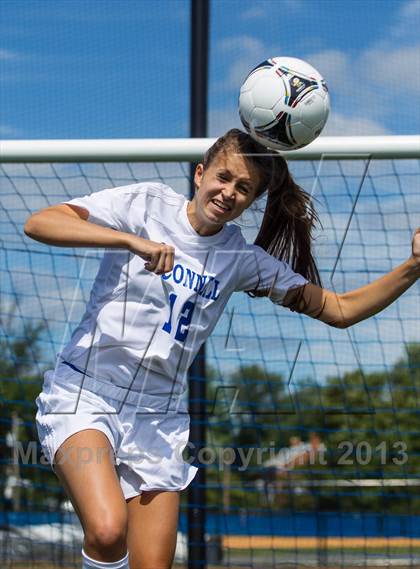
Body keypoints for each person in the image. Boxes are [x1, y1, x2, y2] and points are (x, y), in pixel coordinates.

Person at [23, 129, 420, 569]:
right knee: (107, 530)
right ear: (199, 174)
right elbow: (39, 222)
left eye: (243, 188)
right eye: (223, 177)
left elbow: (339, 309)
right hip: (87, 393)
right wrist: (130, 241)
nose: (228, 192)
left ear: (251, 201)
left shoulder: (241, 259)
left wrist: (414, 266)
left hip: (159, 415)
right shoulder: (145, 205)